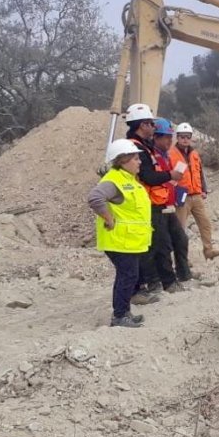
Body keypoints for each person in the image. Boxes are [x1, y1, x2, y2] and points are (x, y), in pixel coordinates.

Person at [125, 103, 191, 293]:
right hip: (150, 204)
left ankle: (175, 278)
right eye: (150, 124)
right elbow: (148, 177)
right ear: (142, 125)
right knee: (159, 246)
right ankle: (164, 283)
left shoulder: (147, 148)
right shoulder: (136, 149)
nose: (153, 128)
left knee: (176, 240)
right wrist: (171, 176)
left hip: (162, 202)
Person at [87, 139, 152, 328]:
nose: (139, 162)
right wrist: (108, 218)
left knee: (128, 275)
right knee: (128, 275)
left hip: (128, 240)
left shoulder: (127, 180)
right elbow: (94, 198)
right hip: (119, 240)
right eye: (135, 158)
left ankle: (124, 312)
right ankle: (119, 316)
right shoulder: (114, 181)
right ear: (123, 160)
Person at [170, 122, 219, 260]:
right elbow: (167, 174)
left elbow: (199, 172)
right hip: (182, 196)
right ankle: (181, 260)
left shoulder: (194, 153)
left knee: (205, 223)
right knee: (179, 229)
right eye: (182, 136)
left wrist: (204, 189)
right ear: (177, 137)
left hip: (196, 195)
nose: (185, 139)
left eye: (187, 136)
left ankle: (208, 250)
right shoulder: (171, 154)